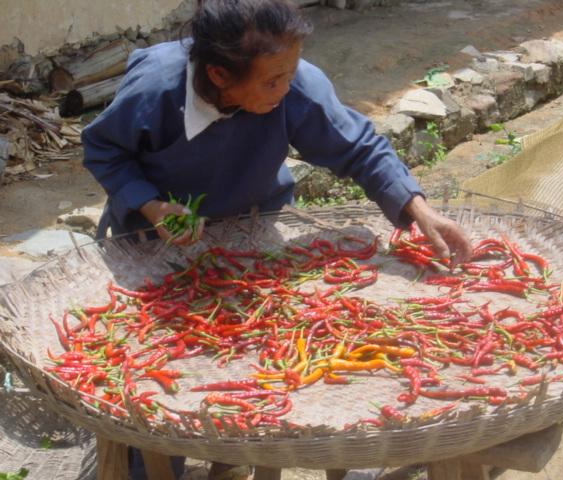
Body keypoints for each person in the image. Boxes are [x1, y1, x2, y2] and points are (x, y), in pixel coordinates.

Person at [82, 0, 472, 477]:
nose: (286, 89)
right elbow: (104, 149)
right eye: (272, 80)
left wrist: (420, 210)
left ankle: (230, 457)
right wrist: (151, 206)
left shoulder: (294, 86)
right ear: (220, 75)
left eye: (289, 73)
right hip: (156, 241)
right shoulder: (156, 89)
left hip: (248, 230)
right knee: (159, 382)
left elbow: (357, 146)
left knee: (244, 358)